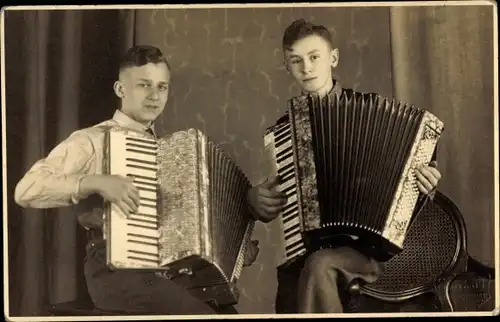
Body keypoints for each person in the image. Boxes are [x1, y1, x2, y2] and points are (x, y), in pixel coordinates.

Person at [14, 45, 261, 315]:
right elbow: (26, 190)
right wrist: (95, 182)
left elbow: (181, 232)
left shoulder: (169, 152)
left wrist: (231, 257)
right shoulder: (92, 140)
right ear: (120, 90)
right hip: (117, 272)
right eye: (144, 85)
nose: (155, 96)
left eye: (162, 87)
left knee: (228, 313)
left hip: (168, 273)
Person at [246, 19, 443, 314]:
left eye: (315, 57)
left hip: (370, 251)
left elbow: (414, 167)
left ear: (333, 58)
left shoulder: (374, 111)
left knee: (319, 265)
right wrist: (256, 200)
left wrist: (425, 183)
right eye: (295, 60)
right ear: (286, 66)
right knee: (298, 274)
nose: (306, 68)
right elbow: (273, 204)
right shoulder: (283, 134)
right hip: (308, 251)